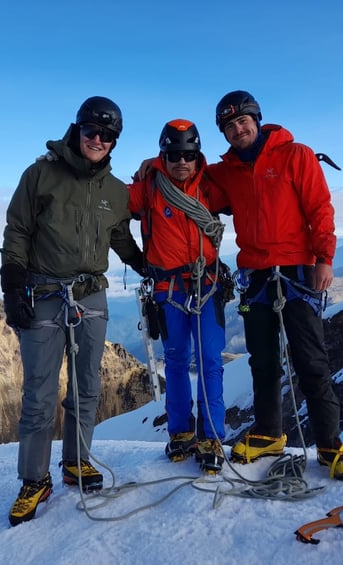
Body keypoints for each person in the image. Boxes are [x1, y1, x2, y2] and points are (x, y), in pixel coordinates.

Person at [0, 96, 145, 526]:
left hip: (91, 295)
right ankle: (34, 479)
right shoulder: (40, 175)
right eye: (91, 132)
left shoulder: (115, 192)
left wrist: (145, 264)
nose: (98, 140)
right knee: (39, 393)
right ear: (77, 130)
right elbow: (17, 231)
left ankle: (75, 462)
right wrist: (12, 287)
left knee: (87, 387)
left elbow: (120, 238)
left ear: (115, 141)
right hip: (43, 293)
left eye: (107, 135)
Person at [207, 90, 343, 482]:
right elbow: (187, 177)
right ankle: (269, 434)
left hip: (298, 272)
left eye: (243, 121)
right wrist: (152, 165)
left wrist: (324, 258)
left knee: (311, 361)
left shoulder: (296, 155)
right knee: (263, 361)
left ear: (257, 120)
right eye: (229, 126)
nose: (238, 130)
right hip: (256, 275)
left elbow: (319, 208)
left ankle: (330, 444)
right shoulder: (226, 171)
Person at [128, 119, 231, 473]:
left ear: (197, 155)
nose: (182, 162)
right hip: (168, 288)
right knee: (175, 360)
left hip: (207, 284)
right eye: (174, 155)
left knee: (209, 359)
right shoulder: (148, 187)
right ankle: (181, 432)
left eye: (188, 155)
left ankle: (211, 436)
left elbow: (248, 182)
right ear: (163, 156)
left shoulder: (212, 184)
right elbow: (108, 201)